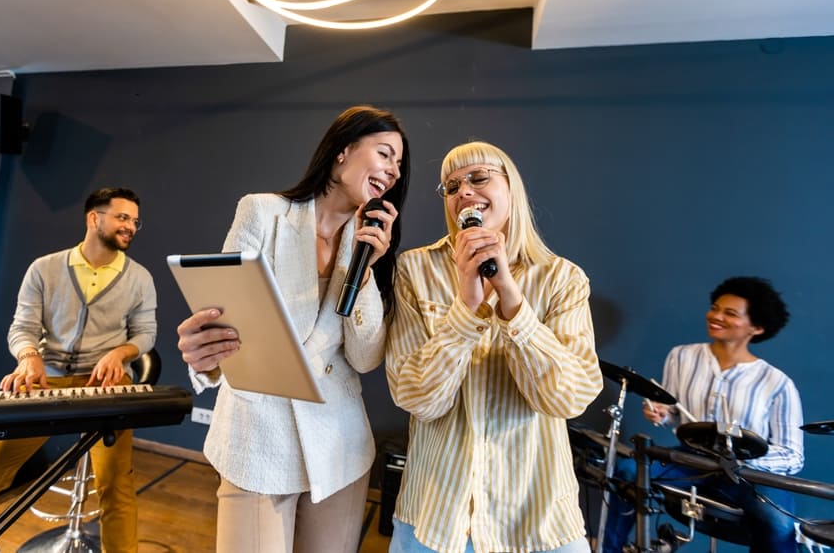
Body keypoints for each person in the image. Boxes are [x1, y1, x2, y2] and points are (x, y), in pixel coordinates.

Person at [175, 105, 409, 553]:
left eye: (399, 165)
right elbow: (220, 313)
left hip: (339, 444)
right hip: (257, 436)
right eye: (385, 154)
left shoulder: (372, 246)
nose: (394, 171)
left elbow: (365, 358)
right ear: (343, 151)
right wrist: (203, 353)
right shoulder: (263, 212)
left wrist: (362, 274)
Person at [385, 141, 603, 553]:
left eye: (479, 178)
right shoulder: (414, 269)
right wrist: (466, 308)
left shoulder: (562, 279)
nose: (464, 191)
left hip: (536, 522)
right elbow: (417, 397)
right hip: (434, 519)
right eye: (451, 187)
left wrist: (510, 299)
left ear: (511, 189)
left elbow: (569, 398)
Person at [0, 187, 157, 553]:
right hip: (46, 381)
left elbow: (146, 333)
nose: (131, 226)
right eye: (122, 217)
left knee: (116, 488)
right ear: (94, 218)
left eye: (135, 221)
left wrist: (120, 353)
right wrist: (28, 357)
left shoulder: (140, 278)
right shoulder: (44, 268)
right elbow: (22, 327)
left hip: (107, 387)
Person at [601, 276, 804, 553]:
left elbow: (793, 456)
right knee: (626, 471)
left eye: (729, 313)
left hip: (749, 474)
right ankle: (608, 549)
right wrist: (662, 413)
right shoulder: (681, 356)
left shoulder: (777, 383)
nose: (716, 316)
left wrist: (740, 457)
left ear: (756, 327)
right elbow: (674, 412)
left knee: (778, 524)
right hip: (691, 460)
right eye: (715, 307)